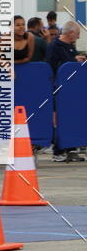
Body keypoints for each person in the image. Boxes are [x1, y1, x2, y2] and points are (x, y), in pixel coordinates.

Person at [46, 20, 86, 163]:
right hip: (59, 90)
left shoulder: (70, 47)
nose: (78, 37)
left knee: (71, 120)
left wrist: (76, 59)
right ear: (70, 33)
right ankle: (58, 150)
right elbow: (51, 67)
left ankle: (71, 149)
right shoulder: (54, 46)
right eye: (77, 34)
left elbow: (69, 61)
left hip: (72, 91)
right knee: (60, 120)